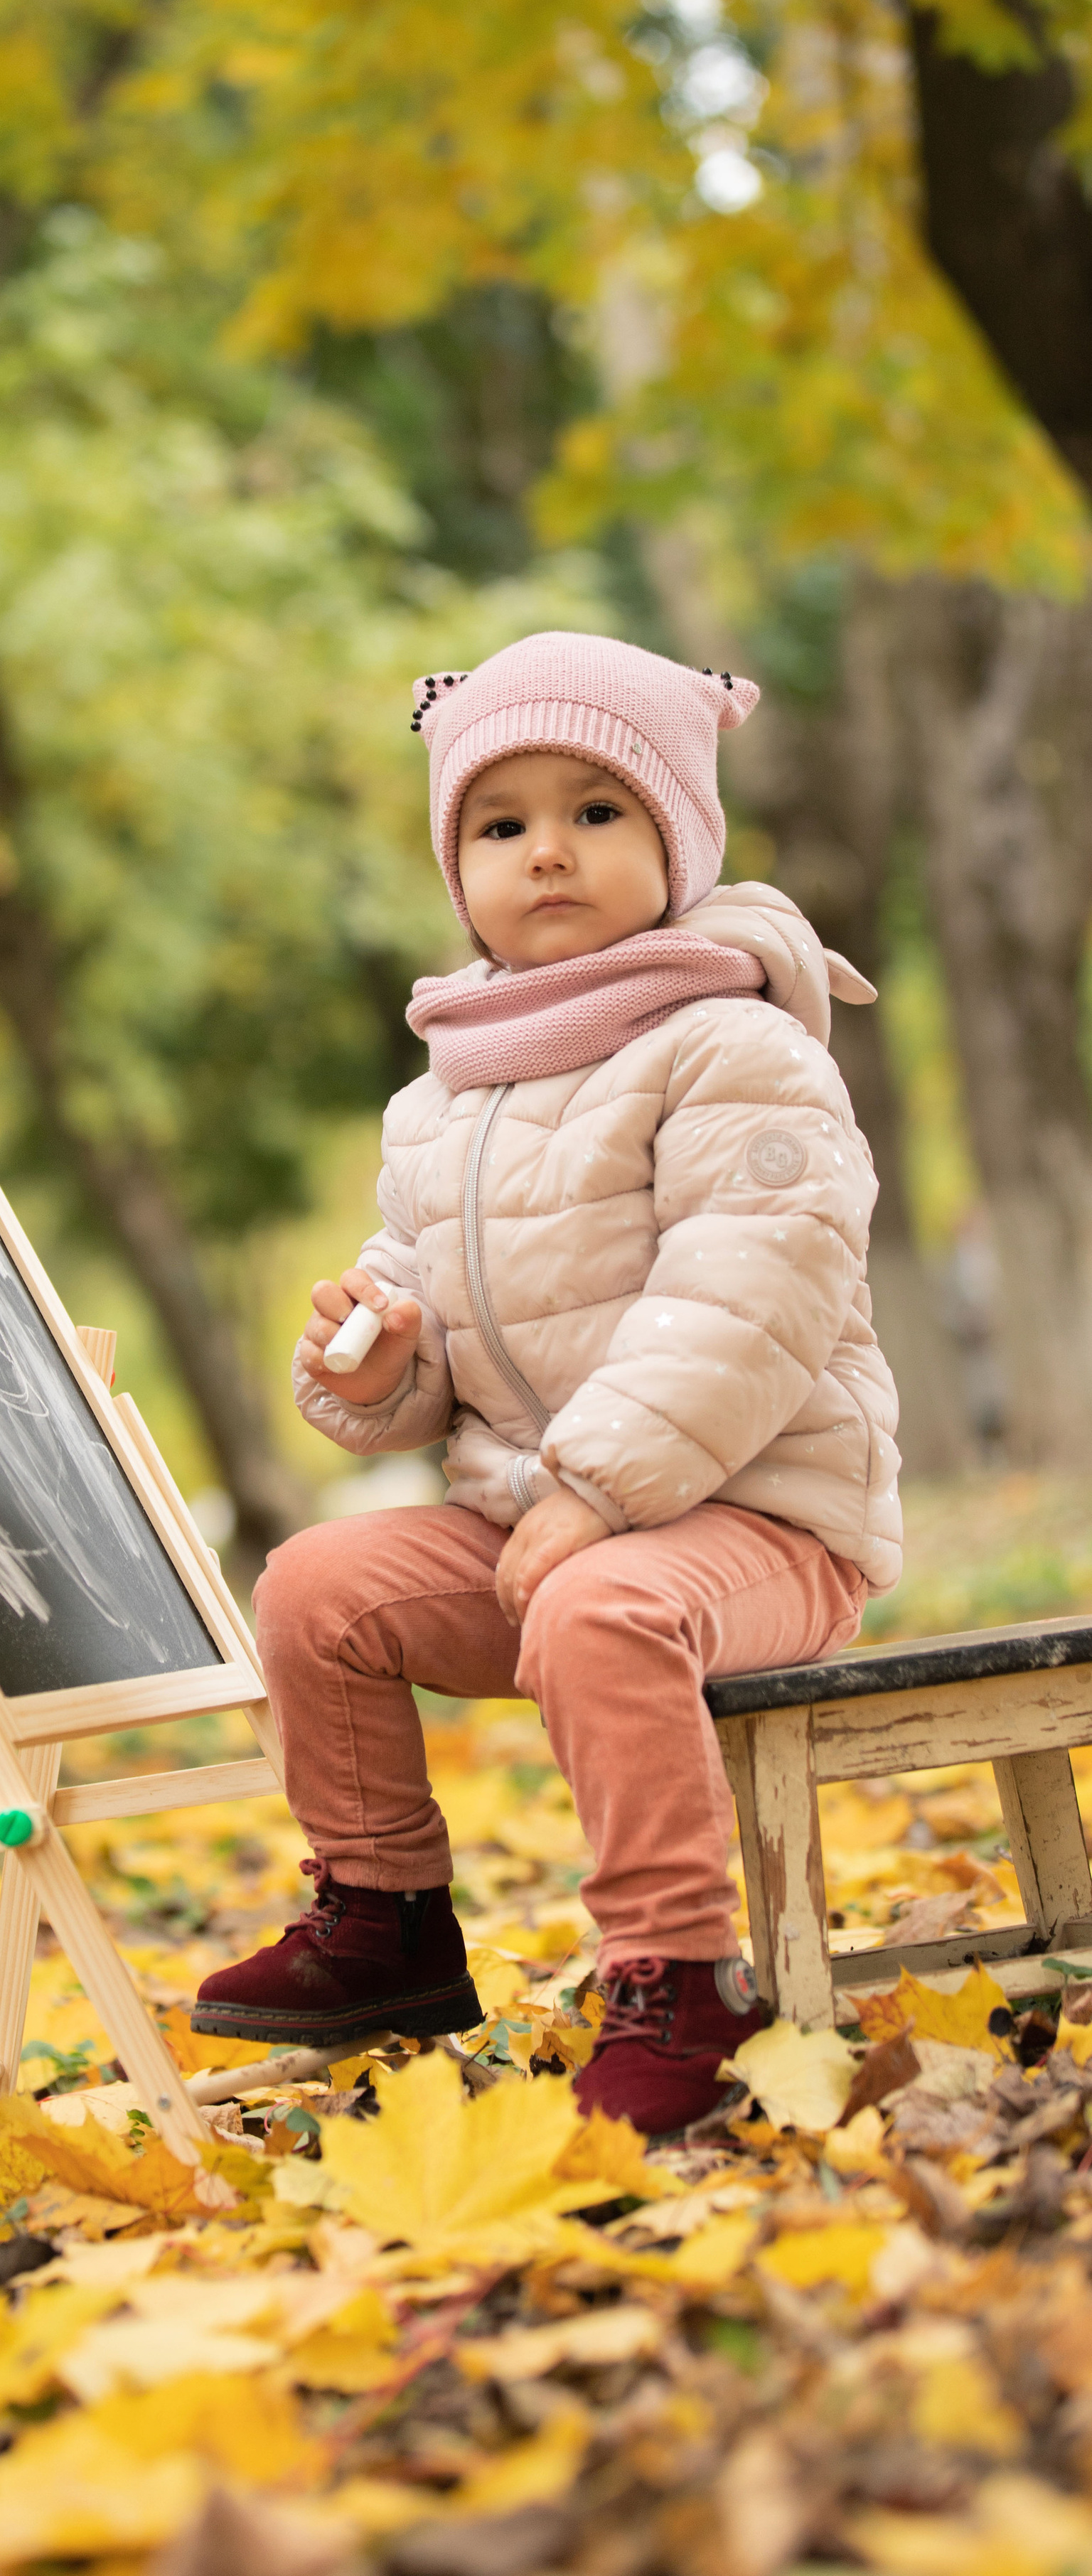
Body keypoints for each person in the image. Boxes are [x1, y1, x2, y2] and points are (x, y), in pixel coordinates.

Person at [193, 633, 901, 2132]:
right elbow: (431, 1335)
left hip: (759, 1519)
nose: (547, 852)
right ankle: (383, 1922)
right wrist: (381, 1366)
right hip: (541, 1512)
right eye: (500, 824)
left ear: (678, 837)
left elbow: (748, 1293)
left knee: (601, 1604)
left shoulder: (732, 1044)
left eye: (596, 810)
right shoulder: (446, 1098)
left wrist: (594, 1493)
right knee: (315, 1587)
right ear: (461, 872)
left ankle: (673, 1972)